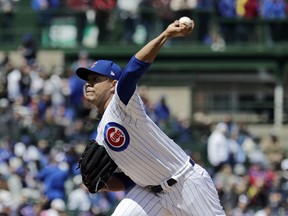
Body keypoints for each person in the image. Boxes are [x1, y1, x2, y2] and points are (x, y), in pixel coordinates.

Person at [75, 19, 225, 215]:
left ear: (113, 84)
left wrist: (165, 35)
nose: (89, 84)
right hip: (149, 193)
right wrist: (99, 183)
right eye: (88, 80)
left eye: (95, 79)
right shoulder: (101, 134)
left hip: (186, 184)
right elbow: (126, 180)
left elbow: (132, 71)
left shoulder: (122, 104)